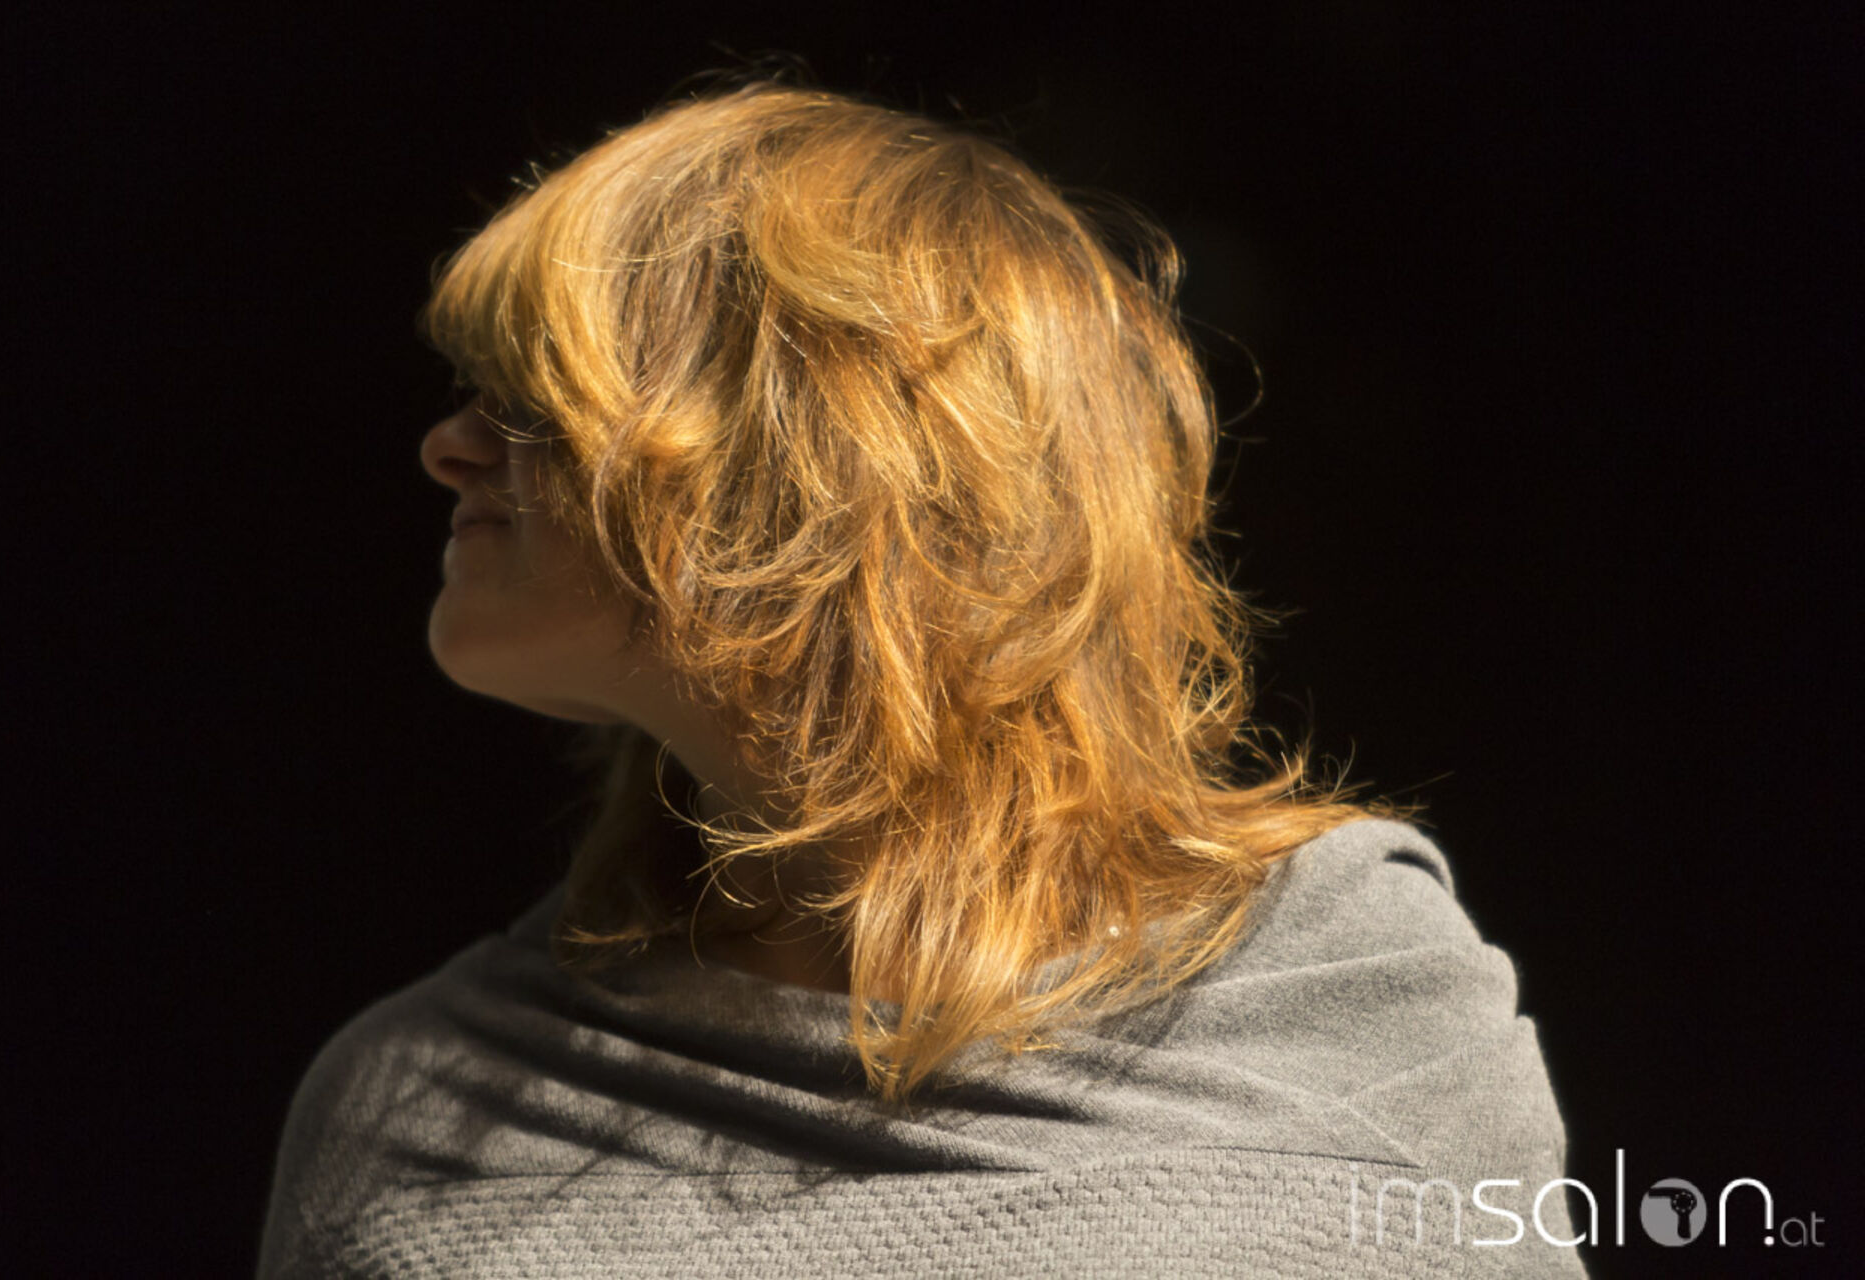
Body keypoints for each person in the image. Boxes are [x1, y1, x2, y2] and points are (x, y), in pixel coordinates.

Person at [259, 80, 1584, 1276]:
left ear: (828, 450)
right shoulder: (414, 1092)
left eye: (538, 394)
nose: (448, 446)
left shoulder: (1342, 999)